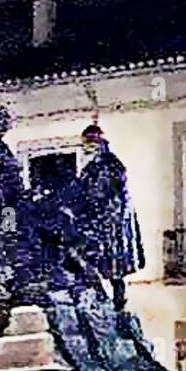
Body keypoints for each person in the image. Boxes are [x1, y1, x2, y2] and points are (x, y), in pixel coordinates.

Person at [67, 124, 145, 309]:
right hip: (98, 222)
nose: (87, 146)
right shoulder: (92, 167)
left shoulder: (109, 164)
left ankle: (117, 302)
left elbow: (101, 193)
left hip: (109, 223)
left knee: (112, 267)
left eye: (90, 142)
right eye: (85, 143)